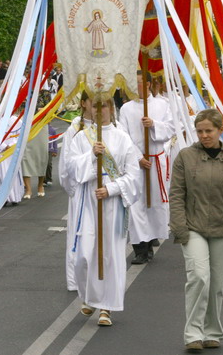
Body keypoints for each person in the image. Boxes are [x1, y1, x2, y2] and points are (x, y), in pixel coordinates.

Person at [169, 108, 223, 352]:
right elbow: (176, 196)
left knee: (217, 284)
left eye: (209, 131)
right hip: (192, 228)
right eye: (200, 131)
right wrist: (180, 229)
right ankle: (193, 333)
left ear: (220, 131)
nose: (204, 135)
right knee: (199, 277)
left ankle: (212, 331)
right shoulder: (185, 157)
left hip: (222, 228)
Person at [67, 98, 141, 327]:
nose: (100, 111)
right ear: (90, 108)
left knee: (109, 255)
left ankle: (106, 307)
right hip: (88, 201)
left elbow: (133, 175)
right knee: (84, 256)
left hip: (111, 203)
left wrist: (111, 189)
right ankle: (90, 296)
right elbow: (70, 167)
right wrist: (91, 155)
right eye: (96, 106)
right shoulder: (82, 137)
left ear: (112, 109)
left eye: (105, 106)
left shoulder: (122, 139)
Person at [118, 71, 174, 264]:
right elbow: (123, 136)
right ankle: (139, 248)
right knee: (136, 205)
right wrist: (138, 157)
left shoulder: (162, 105)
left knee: (154, 204)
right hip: (136, 163)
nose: (138, 87)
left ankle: (150, 241)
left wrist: (154, 124)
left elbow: (171, 128)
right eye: (134, 84)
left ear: (149, 84)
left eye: (141, 83)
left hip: (156, 160)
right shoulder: (126, 108)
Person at [59, 92, 92, 292]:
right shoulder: (74, 129)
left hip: (105, 191)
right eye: (93, 102)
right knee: (77, 234)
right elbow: (65, 165)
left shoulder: (113, 127)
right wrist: (73, 190)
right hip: (81, 189)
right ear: (83, 103)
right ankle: (76, 279)